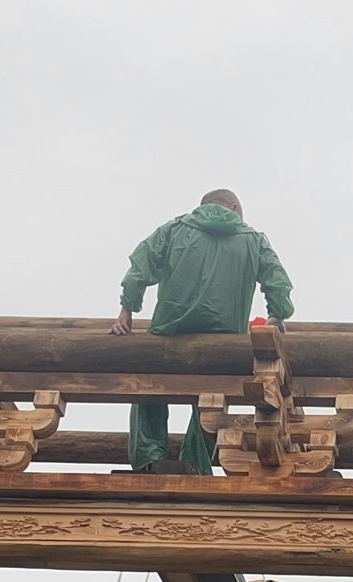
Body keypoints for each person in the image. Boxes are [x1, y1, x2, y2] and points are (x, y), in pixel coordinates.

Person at [110, 189, 295, 474]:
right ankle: (195, 463)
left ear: (203, 206)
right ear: (234, 207)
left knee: (148, 390)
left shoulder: (173, 229)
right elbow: (278, 283)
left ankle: (148, 459)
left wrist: (127, 310)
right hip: (223, 341)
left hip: (167, 334)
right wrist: (277, 314)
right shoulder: (253, 239)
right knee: (211, 401)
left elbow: (139, 269)